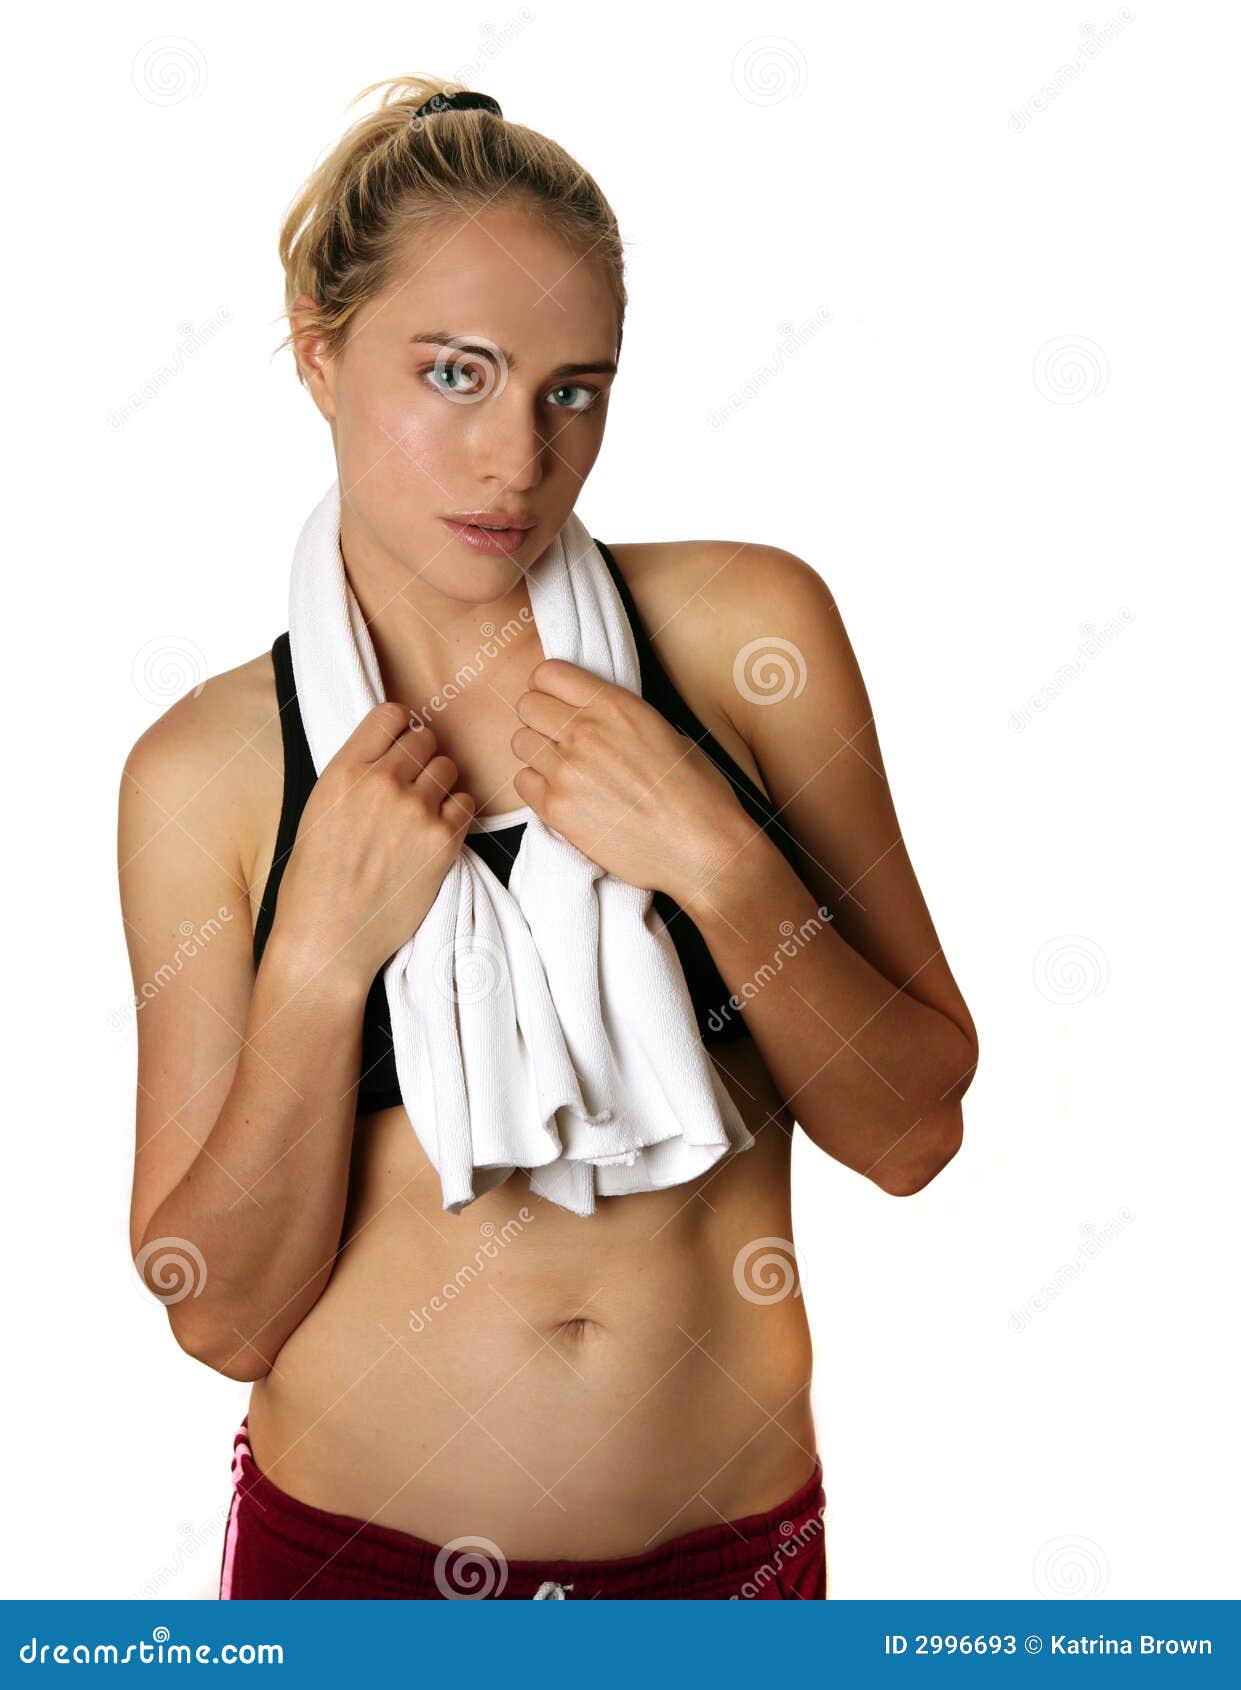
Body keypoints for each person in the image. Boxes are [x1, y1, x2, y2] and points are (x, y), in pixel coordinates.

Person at [117, 74, 978, 1601]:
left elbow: (909, 1130)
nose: (517, 458)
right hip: (353, 1579)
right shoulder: (207, 773)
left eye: (570, 389)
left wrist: (716, 855)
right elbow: (220, 1315)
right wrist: (318, 957)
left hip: (728, 1566)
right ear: (318, 354)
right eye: (455, 373)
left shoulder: (741, 636)